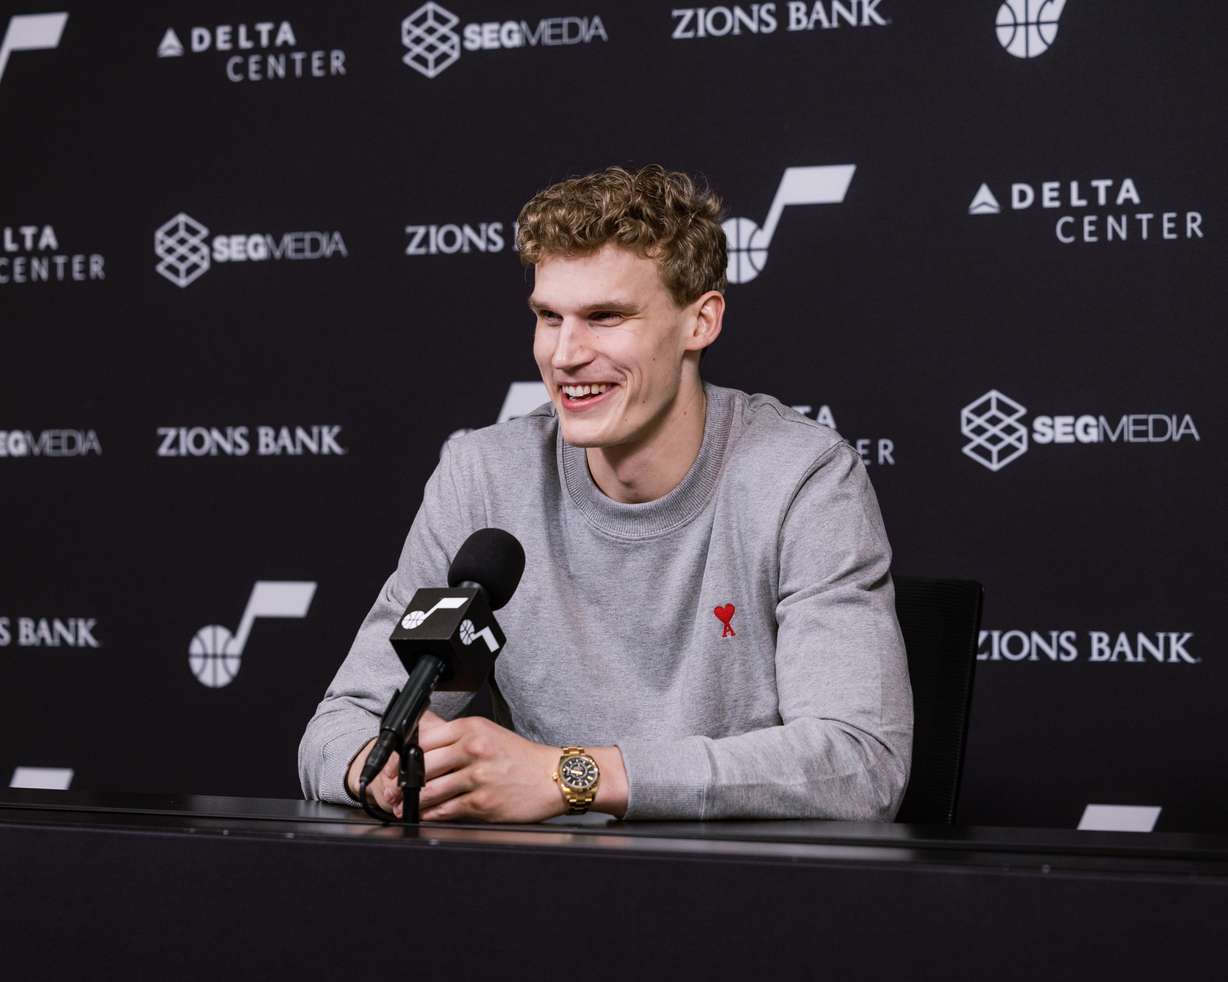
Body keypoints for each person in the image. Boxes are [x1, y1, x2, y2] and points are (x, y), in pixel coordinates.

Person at [298, 165, 912, 822]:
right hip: (536, 898)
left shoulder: (802, 478)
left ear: (700, 322)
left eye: (605, 317)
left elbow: (860, 763)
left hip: (740, 898)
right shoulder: (483, 477)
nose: (565, 355)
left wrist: (572, 776)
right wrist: (383, 771)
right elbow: (339, 728)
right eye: (548, 317)